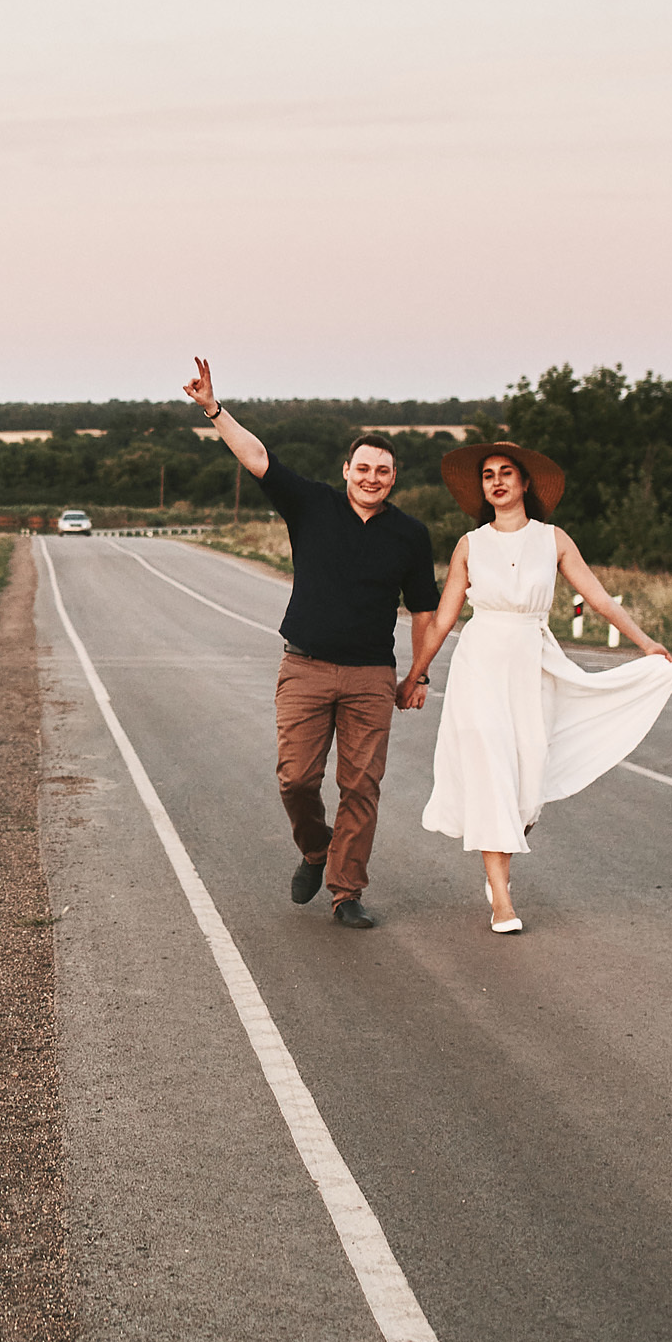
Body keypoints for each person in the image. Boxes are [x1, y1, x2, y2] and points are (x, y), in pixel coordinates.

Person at [184, 358, 441, 930]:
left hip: (371, 677)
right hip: (305, 666)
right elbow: (258, 458)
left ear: (393, 478)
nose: (373, 478)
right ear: (347, 469)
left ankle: (346, 893)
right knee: (296, 778)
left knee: (361, 786)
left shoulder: (410, 535)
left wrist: (418, 675)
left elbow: (425, 611)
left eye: (384, 471)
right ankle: (315, 848)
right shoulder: (312, 505)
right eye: (364, 468)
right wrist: (213, 410)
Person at [412, 444, 672, 932]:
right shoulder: (469, 545)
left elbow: (598, 597)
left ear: (524, 485)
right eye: (488, 476)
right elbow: (442, 620)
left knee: (526, 782)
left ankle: (506, 849)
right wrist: (416, 673)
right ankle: (501, 898)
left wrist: (646, 643)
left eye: (506, 474)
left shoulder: (553, 540)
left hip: (532, 661)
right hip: (480, 663)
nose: (496, 482)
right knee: (491, 768)